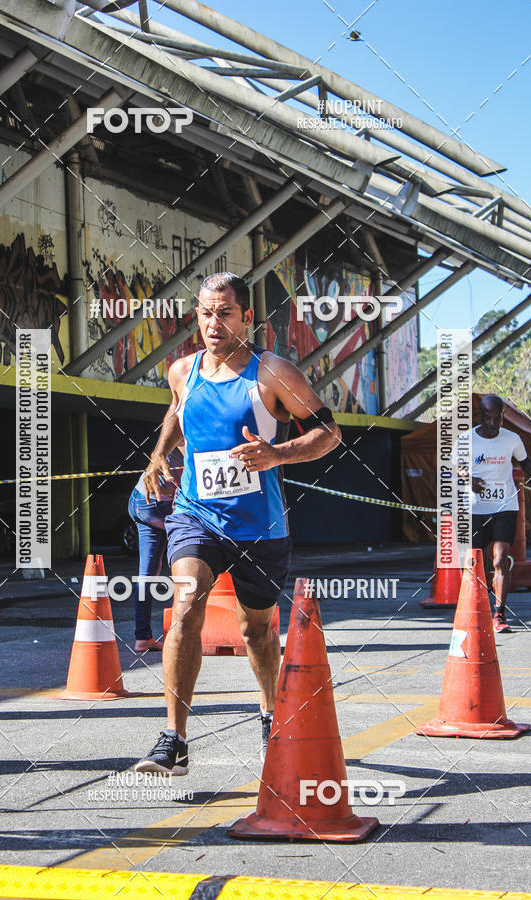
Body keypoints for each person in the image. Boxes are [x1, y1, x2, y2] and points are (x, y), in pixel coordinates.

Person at [135, 272, 340, 774]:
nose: (212, 322)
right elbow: (177, 414)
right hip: (195, 514)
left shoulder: (273, 373)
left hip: (260, 526)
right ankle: (173, 739)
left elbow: (329, 433)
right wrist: (158, 457)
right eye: (205, 313)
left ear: (247, 317)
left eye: (224, 312)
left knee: (257, 630)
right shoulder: (183, 370)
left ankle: (272, 713)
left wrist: (276, 453)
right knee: (185, 607)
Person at [471, 395, 531, 633]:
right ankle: (475, 611)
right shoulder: (466, 439)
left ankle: (499, 614)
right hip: (476, 507)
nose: (494, 423)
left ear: (502, 415)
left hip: (505, 506)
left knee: (500, 559)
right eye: (488, 417)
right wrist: (468, 479)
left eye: (498, 418)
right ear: (480, 415)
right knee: (475, 564)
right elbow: (454, 467)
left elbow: (525, 462)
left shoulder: (512, 439)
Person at [129, 447, 184, 652]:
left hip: (139, 499)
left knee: (148, 574)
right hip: (159, 503)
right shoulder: (189, 427)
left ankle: (142, 638)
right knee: (192, 553)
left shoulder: (175, 432)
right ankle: (185, 632)